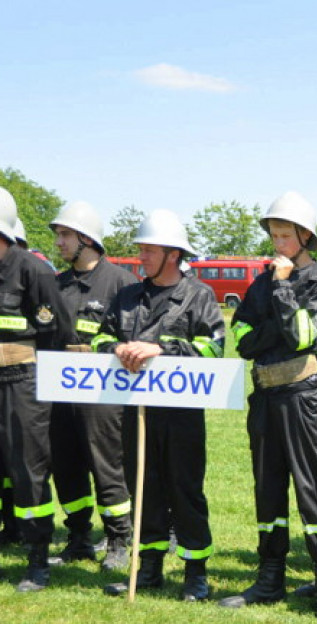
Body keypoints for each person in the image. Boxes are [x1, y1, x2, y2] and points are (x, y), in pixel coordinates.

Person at [218, 192, 317, 621]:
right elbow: (244, 339)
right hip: (265, 395)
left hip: (302, 396)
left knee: (311, 491)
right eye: (274, 234)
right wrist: (277, 323)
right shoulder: (261, 281)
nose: (277, 243)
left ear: (306, 236)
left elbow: (304, 336)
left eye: (285, 235)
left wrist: (285, 288)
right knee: (267, 489)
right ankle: (269, 579)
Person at [95, 209, 225, 601]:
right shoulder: (128, 296)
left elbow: (213, 347)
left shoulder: (198, 295)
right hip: (136, 413)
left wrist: (162, 349)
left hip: (182, 416)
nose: (141, 258)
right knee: (144, 489)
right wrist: (116, 347)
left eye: (149, 250)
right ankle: (148, 568)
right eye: (141, 250)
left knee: (185, 490)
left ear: (172, 254)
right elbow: (101, 338)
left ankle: (194, 572)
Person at [49, 201, 136, 571]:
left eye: (65, 235)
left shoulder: (121, 284)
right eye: (58, 236)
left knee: (107, 466)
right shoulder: (56, 284)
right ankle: (79, 538)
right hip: (59, 390)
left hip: (103, 394)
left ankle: (118, 539)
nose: (59, 243)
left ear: (87, 238)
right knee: (65, 466)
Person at [0, 186, 73, 591]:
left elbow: (56, 331)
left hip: (23, 383)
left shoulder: (33, 270)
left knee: (29, 470)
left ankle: (38, 559)